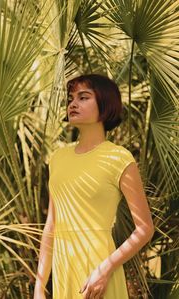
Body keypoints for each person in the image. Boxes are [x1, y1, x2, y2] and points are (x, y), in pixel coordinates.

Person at [34, 74, 154, 299]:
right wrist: (39, 287)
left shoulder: (118, 158)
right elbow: (51, 226)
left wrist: (105, 268)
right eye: (71, 98)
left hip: (99, 269)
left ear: (104, 104)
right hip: (63, 268)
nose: (73, 103)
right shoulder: (58, 158)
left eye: (83, 97)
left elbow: (145, 228)